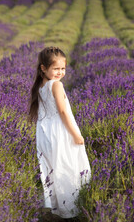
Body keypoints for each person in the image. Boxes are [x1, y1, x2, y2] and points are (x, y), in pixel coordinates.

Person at [29, 46, 91, 219]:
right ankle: (72, 211)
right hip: (61, 133)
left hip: (46, 133)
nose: (60, 72)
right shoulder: (56, 85)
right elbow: (63, 112)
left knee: (54, 169)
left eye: (63, 68)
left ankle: (59, 208)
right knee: (68, 167)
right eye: (56, 68)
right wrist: (76, 135)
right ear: (43, 68)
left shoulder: (40, 85)